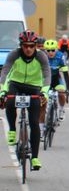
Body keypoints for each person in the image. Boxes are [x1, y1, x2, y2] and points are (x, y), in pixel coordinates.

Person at [0, 30, 51, 170]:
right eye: (25, 46)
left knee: (34, 123)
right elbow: (5, 73)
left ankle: (34, 158)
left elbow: (47, 75)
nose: (28, 49)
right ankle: (12, 129)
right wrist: (2, 91)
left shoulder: (41, 56)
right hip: (15, 84)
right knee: (9, 100)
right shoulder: (14, 54)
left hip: (34, 87)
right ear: (21, 46)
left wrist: (44, 92)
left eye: (31, 46)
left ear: (35, 46)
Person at [42, 39, 69, 123]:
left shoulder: (60, 56)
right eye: (48, 50)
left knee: (61, 93)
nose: (50, 52)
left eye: (53, 50)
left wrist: (68, 89)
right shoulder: (42, 56)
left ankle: (61, 110)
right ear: (45, 50)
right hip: (45, 80)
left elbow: (65, 73)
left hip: (56, 79)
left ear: (56, 50)